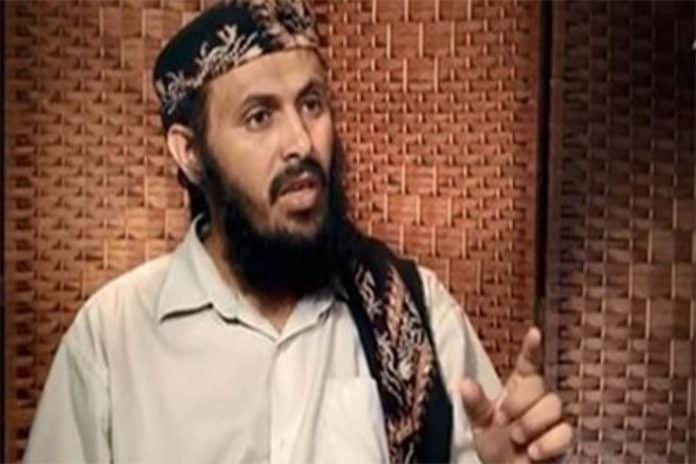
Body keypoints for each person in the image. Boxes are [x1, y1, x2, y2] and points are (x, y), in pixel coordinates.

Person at [24, 1, 572, 463]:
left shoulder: (413, 311)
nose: (302, 143)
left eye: (311, 105)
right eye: (259, 116)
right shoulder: (112, 339)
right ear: (189, 153)